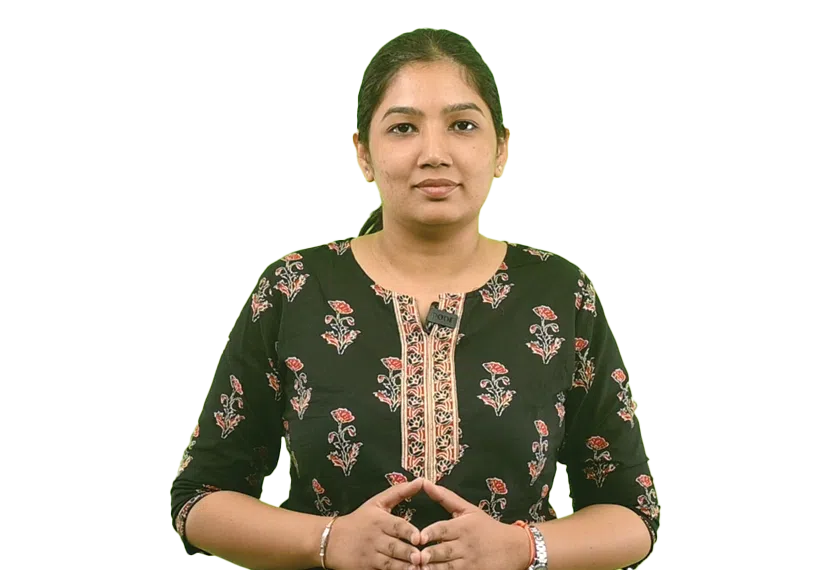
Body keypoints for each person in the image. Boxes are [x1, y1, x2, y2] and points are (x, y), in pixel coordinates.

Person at [169, 26, 661, 570]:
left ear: (501, 148)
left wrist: (521, 548)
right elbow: (198, 499)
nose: (434, 153)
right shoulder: (295, 289)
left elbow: (632, 516)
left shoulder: (560, 293)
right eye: (403, 128)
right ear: (363, 153)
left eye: (462, 125)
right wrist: (328, 540)